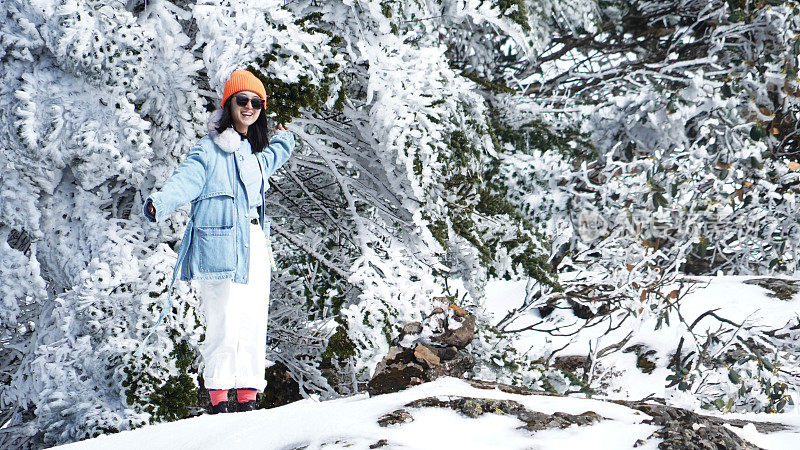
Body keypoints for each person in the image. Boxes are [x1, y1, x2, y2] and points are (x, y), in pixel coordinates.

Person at [143, 69, 294, 414]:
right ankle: (218, 396)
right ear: (229, 104)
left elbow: (270, 161)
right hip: (221, 247)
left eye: (257, 103)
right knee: (223, 321)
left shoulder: (253, 154)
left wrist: (284, 141)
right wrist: (161, 202)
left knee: (253, 320)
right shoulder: (209, 151)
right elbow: (186, 180)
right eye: (243, 100)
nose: (249, 107)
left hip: (255, 243)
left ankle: (248, 395)